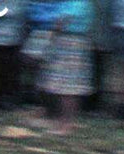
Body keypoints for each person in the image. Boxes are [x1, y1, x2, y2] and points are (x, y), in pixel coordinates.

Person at [40, 0, 96, 132]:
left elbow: (61, 21)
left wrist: (49, 38)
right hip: (67, 42)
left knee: (68, 88)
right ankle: (60, 121)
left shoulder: (78, 3)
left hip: (71, 44)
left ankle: (66, 124)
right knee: (62, 86)